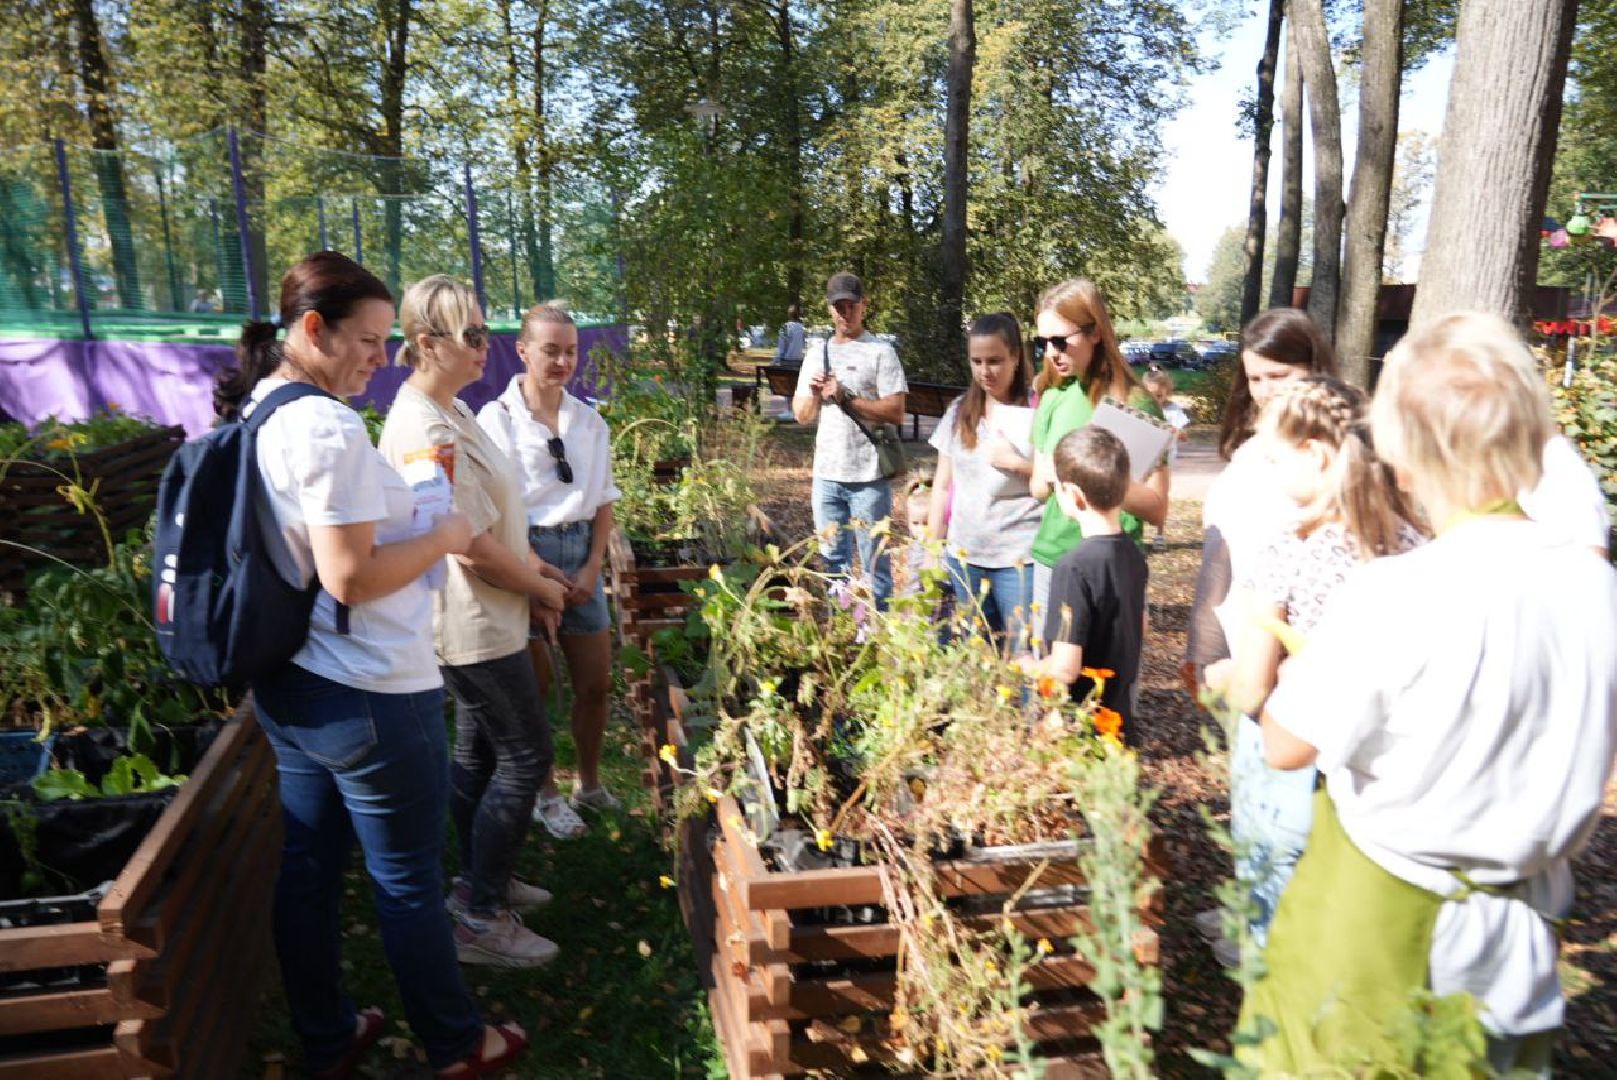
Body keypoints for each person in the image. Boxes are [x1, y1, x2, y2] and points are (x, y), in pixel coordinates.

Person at [1240, 313, 1617, 1075]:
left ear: (1404, 454)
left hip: (1377, 925)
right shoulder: (1595, 586)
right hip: (1520, 937)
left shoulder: (1396, 592)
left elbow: (1284, 743)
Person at [215, 252, 525, 1076]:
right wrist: (446, 533)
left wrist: (411, 508)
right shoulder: (325, 425)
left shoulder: (266, 407)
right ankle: (458, 1044)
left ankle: (327, 1032)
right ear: (312, 328)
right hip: (373, 691)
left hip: (295, 685)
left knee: (310, 869)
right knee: (408, 882)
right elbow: (349, 576)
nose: (380, 361)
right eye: (369, 341)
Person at [380, 276, 571, 968]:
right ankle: (480, 916)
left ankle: (480, 880)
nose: (484, 346)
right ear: (427, 344)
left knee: (481, 755)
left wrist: (537, 575)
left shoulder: (450, 411)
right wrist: (539, 590)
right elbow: (465, 547)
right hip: (471, 624)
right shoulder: (425, 428)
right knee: (527, 756)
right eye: (471, 335)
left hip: (488, 611)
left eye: (485, 332)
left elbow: (491, 523)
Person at [1202, 375, 1424, 961]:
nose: (1270, 474)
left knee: (1274, 938)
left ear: (1318, 454)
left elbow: (1252, 686)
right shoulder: (1415, 542)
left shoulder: (1290, 547)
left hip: (1299, 769)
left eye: (1276, 458)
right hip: (1393, 785)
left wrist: (1226, 679)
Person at [478, 302, 620, 839]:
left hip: (581, 551)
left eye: (570, 351)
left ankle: (589, 780)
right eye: (550, 350)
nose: (562, 361)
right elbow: (495, 507)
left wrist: (591, 566)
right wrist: (534, 573)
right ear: (522, 351)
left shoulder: (589, 421)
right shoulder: (498, 420)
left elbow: (604, 500)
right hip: (524, 552)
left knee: (595, 683)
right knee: (534, 688)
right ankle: (545, 793)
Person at [1181, 308, 1337, 698]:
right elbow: (1221, 554)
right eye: (1255, 379)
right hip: (1244, 653)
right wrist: (1205, 650)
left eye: (1279, 376)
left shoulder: (1332, 459)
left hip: (1302, 665)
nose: (1266, 391)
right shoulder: (1250, 453)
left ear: (1314, 368)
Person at [1026, 280, 1168, 614]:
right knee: (1052, 667)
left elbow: (1157, 508)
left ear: (1095, 333)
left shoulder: (1133, 404)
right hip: (1054, 560)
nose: (1050, 353)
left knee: (1108, 668)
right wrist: (1047, 474)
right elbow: (1037, 488)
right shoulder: (1052, 397)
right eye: (1042, 342)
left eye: (1060, 341)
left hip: (1112, 565)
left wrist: (1095, 478)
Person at [792, 271, 908, 606]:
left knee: (876, 565)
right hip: (826, 475)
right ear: (829, 309)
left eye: (850, 305)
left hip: (868, 478)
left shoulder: (880, 352)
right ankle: (843, 634)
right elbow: (802, 414)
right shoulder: (818, 353)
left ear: (863, 305)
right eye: (838, 306)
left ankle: (879, 635)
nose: (844, 313)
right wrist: (814, 393)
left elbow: (896, 411)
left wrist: (845, 397)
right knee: (833, 564)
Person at [1024, 427, 1148, 737]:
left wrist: (1029, 667)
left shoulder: (1073, 568)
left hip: (1081, 730)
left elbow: (1066, 667)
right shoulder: (1134, 555)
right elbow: (1141, 624)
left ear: (1075, 496)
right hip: (1119, 720)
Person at [926, 313, 1041, 647]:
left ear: (1016, 358)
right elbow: (942, 485)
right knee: (975, 664)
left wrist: (1018, 464)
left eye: (994, 361)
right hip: (966, 557)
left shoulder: (1038, 411)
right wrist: (933, 549)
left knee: (1023, 662)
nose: (984, 371)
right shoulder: (960, 410)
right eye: (976, 361)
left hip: (1020, 560)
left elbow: (1059, 479)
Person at [1140, 366, 1190, 551]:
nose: (1155, 400)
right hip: (1143, 456)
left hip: (1164, 460)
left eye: (1159, 396)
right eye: (1151, 395)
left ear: (1167, 392)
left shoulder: (1173, 411)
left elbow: (1185, 435)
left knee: (1161, 495)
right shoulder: (1142, 407)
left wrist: (1171, 429)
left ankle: (1159, 534)